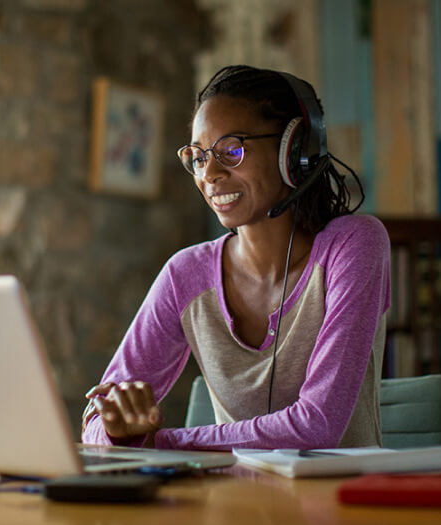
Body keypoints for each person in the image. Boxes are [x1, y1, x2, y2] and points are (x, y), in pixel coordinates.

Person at [82, 65, 390, 451]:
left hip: (341, 505)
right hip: (234, 507)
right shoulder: (185, 274)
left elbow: (318, 425)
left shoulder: (355, 246)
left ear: (294, 151)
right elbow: (96, 421)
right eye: (198, 156)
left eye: (232, 150)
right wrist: (114, 430)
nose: (209, 173)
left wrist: (157, 442)